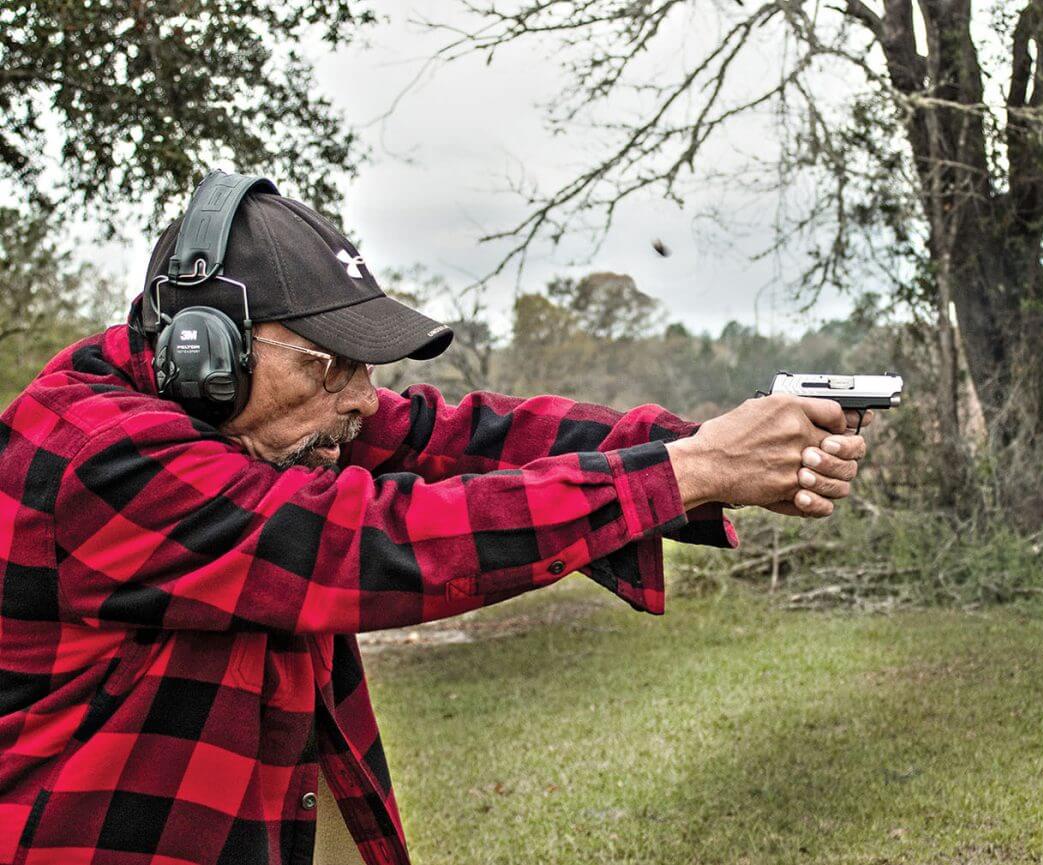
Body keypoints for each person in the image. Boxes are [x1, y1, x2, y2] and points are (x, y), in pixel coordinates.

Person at [0, 183, 870, 865]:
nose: (362, 398)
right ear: (204, 349)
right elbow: (370, 543)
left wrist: (716, 448)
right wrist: (692, 472)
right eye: (330, 364)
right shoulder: (102, 458)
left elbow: (472, 443)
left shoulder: (253, 417)